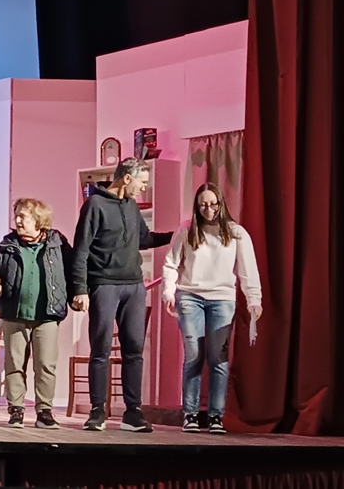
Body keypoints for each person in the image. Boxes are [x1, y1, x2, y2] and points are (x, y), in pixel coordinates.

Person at [70, 158, 174, 432]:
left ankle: (132, 412)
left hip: (134, 287)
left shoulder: (131, 206)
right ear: (127, 178)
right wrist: (80, 289)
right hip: (104, 285)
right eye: (142, 182)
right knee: (101, 349)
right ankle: (97, 411)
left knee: (134, 351)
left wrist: (177, 236)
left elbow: (144, 239)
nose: (143, 188)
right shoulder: (94, 205)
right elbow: (80, 251)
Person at [162, 183, 262, 435]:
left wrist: (254, 299)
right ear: (197, 206)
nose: (209, 209)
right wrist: (168, 292)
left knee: (218, 357)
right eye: (203, 205)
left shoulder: (236, 233)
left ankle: (216, 415)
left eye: (213, 204)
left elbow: (248, 269)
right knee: (194, 354)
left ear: (221, 204)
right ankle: (191, 414)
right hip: (190, 296)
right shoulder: (186, 231)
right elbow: (171, 264)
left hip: (222, 299)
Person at [0, 198, 73, 430]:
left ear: (38, 219)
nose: (17, 220)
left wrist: (78, 294)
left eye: (22, 216)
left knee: (46, 365)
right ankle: (16, 409)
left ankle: (44, 411)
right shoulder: (6, 246)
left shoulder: (57, 244)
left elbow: (73, 270)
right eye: (16, 215)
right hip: (15, 314)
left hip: (47, 315)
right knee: (14, 365)